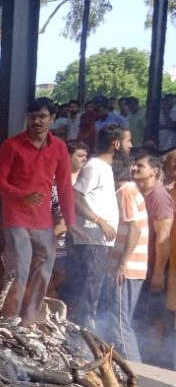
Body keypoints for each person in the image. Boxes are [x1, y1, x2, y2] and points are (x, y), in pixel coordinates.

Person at [0, 98, 75, 325]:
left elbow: (65, 185)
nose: (36, 121)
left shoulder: (59, 147)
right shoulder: (12, 145)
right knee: (19, 270)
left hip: (43, 221)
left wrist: (71, 220)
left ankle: (29, 321)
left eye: (42, 116)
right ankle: (9, 320)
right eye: (32, 116)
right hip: (16, 219)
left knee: (45, 269)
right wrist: (22, 195)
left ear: (52, 119)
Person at [69, 124, 127, 329]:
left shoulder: (105, 168)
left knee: (94, 288)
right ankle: (83, 335)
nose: (130, 146)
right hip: (92, 238)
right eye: (128, 141)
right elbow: (75, 196)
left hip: (100, 240)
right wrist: (99, 220)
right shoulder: (94, 166)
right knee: (89, 289)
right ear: (116, 144)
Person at [101, 156, 148, 362]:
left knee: (120, 322)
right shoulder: (130, 190)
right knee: (119, 320)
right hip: (130, 267)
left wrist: (121, 265)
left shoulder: (125, 192)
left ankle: (137, 372)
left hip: (127, 269)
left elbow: (135, 229)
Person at [132, 153, 174, 367]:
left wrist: (158, 273)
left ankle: (152, 362)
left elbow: (163, 238)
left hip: (154, 268)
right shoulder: (144, 194)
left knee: (153, 316)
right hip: (144, 267)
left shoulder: (157, 196)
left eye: (140, 166)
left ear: (154, 171)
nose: (134, 168)